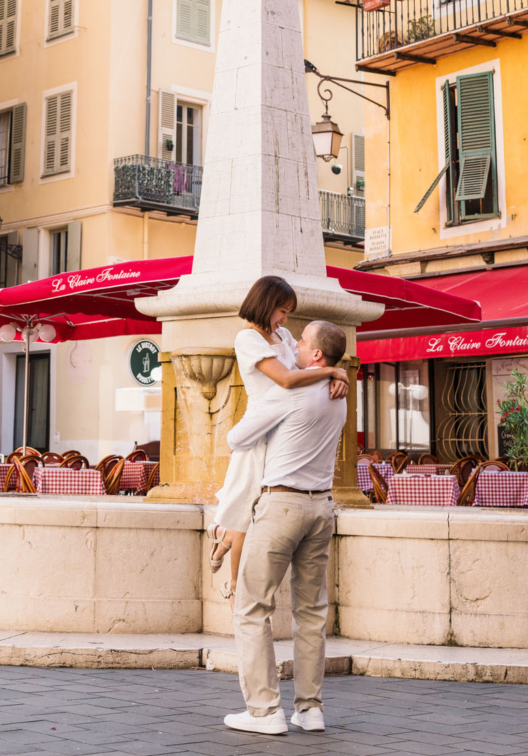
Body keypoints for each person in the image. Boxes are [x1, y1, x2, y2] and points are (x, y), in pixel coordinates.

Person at [222, 318, 349, 737]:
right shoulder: (339, 395)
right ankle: (310, 709)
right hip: (322, 508)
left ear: (316, 355)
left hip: (282, 507)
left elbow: (237, 439)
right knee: (311, 613)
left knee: (252, 606)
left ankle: (264, 711)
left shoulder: (289, 392)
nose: (292, 347)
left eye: (302, 343)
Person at [210, 277, 348, 599]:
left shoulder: (282, 335)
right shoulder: (247, 339)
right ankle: (234, 588)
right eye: (282, 310)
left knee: (251, 512)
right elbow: (286, 379)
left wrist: (335, 375)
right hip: (261, 425)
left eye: (287, 312)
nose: (285, 319)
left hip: (285, 425)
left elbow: (301, 368)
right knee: (245, 512)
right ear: (265, 304)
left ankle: (220, 538)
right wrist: (332, 372)